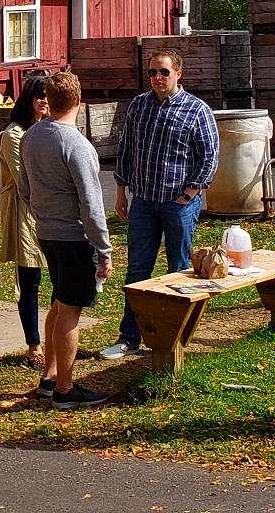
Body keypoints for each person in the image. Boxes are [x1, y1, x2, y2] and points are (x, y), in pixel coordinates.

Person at [101, 50, 219, 360]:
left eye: (164, 72)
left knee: (178, 272)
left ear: (179, 74)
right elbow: (126, 150)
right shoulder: (139, 106)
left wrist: (190, 193)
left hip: (178, 205)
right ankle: (129, 337)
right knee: (137, 272)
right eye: (153, 72)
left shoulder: (197, 110)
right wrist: (120, 193)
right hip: (142, 203)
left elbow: (209, 156)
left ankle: (174, 337)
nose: (157, 78)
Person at [15, 72, 115, 409]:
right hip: (73, 238)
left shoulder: (30, 136)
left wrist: (45, 214)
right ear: (77, 101)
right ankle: (65, 388)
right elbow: (91, 203)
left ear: (49, 99)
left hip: (46, 233)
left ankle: (49, 377)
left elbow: (24, 189)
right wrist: (103, 248)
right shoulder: (76, 144)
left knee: (59, 303)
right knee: (70, 310)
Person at [0, 75, 51, 369]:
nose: (44, 100)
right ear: (28, 99)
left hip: (50, 212)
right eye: (39, 95)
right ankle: (34, 346)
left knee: (58, 279)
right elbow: (26, 180)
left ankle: (54, 340)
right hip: (26, 213)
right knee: (30, 281)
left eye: (48, 95)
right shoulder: (14, 135)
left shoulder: (48, 129)